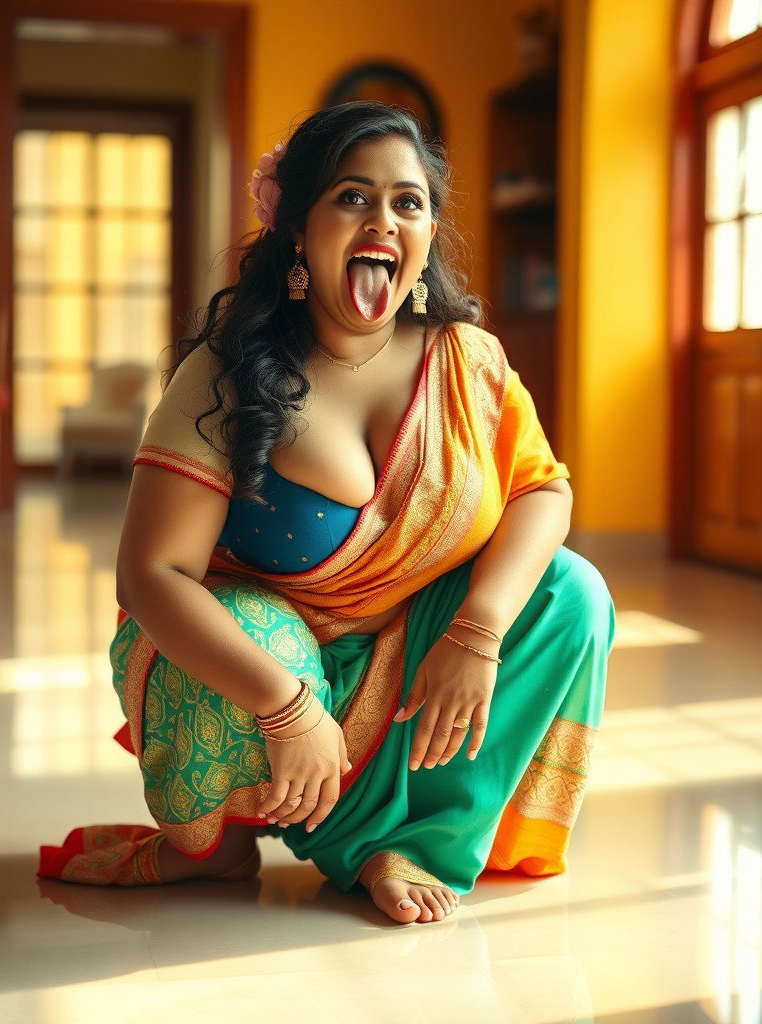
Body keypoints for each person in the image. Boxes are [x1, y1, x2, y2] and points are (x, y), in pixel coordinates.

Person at [38, 101, 616, 926]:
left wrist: (477, 632)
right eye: (353, 196)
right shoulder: (227, 373)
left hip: (415, 650)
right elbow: (153, 574)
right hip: (259, 661)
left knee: (570, 593)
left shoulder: (467, 359)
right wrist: (286, 703)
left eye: (407, 202)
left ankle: (410, 842)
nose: (383, 218)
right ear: (300, 231)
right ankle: (221, 843)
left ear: (425, 237)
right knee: (254, 636)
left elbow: (542, 490)